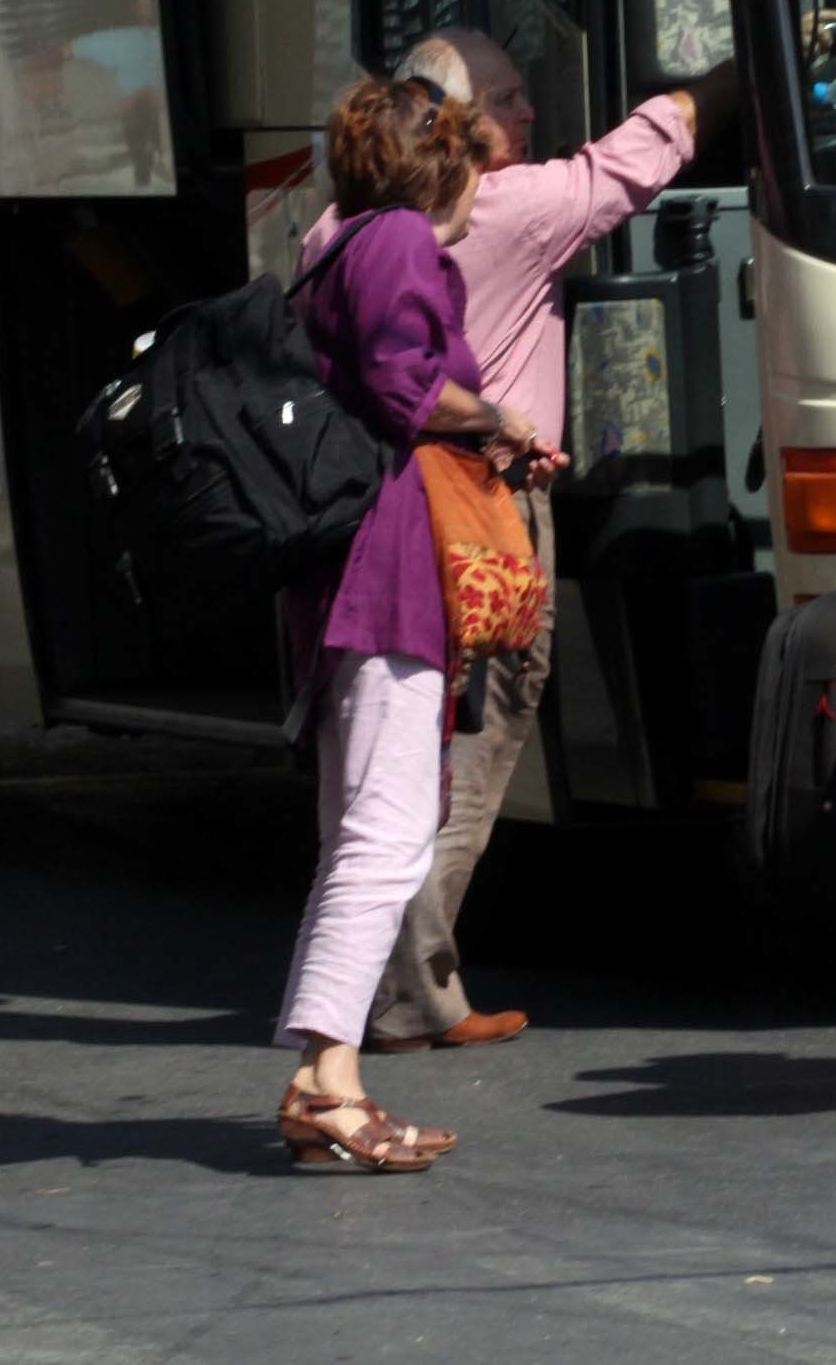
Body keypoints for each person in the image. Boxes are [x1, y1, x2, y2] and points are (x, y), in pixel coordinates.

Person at [318, 30, 737, 1054]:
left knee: (386, 754)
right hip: (474, 506)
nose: (529, 117)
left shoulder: (336, 223)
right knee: (476, 731)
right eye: (507, 100)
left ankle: (395, 982)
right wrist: (740, 72)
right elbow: (635, 155)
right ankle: (402, 984)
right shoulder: (502, 210)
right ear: (448, 125)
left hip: (371, 507)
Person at [273, 73, 550, 1173]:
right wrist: (502, 415)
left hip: (361, 568)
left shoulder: (342, 239)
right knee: (387, 834)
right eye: (476, 156)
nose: (487, 180)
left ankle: (324, 1078)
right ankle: (325, 1077)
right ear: (440, 163)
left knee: (363, 833)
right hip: (391, 570)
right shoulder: (394, 240)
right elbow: (405, 388)